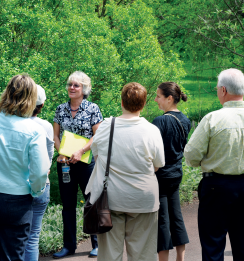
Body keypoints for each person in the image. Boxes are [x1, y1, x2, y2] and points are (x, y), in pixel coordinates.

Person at [85, 82, 165, 261]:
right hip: (144, 199)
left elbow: (98, 158)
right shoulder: (152, 131)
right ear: (144, 104)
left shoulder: (106, 127)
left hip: (110, 200)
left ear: (121, 102)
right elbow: (158, 165)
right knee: (143, 254)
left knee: (109, 255)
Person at [184, 68, 244, 261]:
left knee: (213, 247)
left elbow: (191, 156)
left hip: (217, 187)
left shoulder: (212, 119)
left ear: (223, 90)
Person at [0, 74, 50, 261]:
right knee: (13, 256)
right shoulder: (34, 130)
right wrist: (36, 191)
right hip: (17, 200)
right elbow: (40, 171)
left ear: (7, 92)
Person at [53, 71, 102, 259]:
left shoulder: (92, 108)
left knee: (91, 203)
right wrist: (62, 153)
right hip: (65, 164)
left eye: (76, 85)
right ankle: (68, 246)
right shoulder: (60, 108)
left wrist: (80, 151)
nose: (72, 88)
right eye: (70, 84)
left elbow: (97, 135)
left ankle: (97, 243)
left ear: (84, 89)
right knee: (68, 205)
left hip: (86, 163)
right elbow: (56, 136)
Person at [152, 82, 190, 261]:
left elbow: (152, 151)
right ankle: (180, 258)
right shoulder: (185, 120)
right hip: (176, 174)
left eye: (158, 96)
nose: (155, 99)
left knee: (162, 221)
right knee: (177, 216)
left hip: (160, 176)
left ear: (169, 98)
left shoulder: (160, 121)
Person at [24, 85, 54, 261]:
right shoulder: (46, 126)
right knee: (32, 237)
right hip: (42, 186)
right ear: (42, 106)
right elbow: (48, 158)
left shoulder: (12, 122)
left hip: (17, 187)